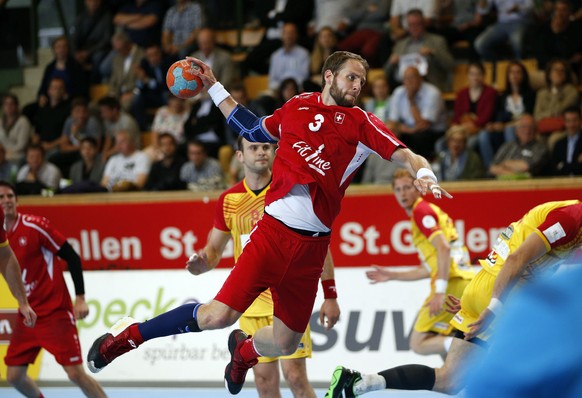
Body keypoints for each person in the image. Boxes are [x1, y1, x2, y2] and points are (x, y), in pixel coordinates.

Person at [86, 51, 447, 396]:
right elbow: (254, 128)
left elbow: (406, 154)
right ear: (329, 76)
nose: (357, 86)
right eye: (351, 77)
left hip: (312, 249)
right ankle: (128, 336)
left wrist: (426, 173)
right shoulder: (296, 106)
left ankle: (244, 353)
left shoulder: (362, 123)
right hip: (273, 234)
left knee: (286, 342)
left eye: (362, 81)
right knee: (217, 316)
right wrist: (213, 85)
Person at [326, 199, 582, 397]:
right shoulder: (570, 218)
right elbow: (516, 259)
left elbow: (526, 265)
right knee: (546, 365)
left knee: (449, 380)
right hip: (502, 293)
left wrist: (482, 300)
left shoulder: (568, 224)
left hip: (482, 286)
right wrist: (493, 306)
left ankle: (359, 383)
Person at [187, 135, 340, 397]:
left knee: (296, 379)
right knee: (265, 384)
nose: (261, 152)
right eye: (253, 147)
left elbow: (318, 247)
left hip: (288, 302)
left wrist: (330, 295)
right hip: (250, 305)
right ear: (239, 156)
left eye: (266, 147)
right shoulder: (229, 200)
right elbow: (213, 251)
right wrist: (201, 264)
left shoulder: (293, 190)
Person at [0, 182, 106, 397]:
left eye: (10, 196)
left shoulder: (34, 226)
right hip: (28, 314)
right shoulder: (2, 236)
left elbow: (72, 257)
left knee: (75, 374)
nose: (6, 200)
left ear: (17, 200)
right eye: (1, 197)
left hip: (54, 311)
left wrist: (80, 298)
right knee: (13, 376)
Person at [366, 169, 473, 359]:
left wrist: (440, 291)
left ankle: (469, 349)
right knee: (442, 337)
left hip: (451, 283)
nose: (403, 193)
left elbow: (444, 248)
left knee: (419, 343)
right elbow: (428, 268)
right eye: (398, 190)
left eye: (407, 187)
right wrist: (392, 275)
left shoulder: (421, 211)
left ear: (418, 189)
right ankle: (456, 378)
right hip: (463, 282)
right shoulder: (425, 212)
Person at [464, 265, 582, 397]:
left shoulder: (554, 297)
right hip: (500, 294)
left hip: (512, 299)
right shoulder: (556, 296)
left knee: (452, 381)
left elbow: (488, 387)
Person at [384, 8, 454, 92]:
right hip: (404, 88)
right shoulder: (400, 45)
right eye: (411, 25)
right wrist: (391, 62)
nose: (414, 28)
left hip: (429, 87)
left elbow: (450, 65)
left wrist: (433, 53)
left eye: (417, 24)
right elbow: (385, 72)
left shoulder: (437, 41)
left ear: (423, 24)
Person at [386, 65, 447, 159]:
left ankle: (422, 166)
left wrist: (411, 100)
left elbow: (423, 125)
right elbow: (393, 122)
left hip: (432, 132)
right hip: (408, 130)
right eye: (406, 79)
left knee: (419, 137)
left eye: (412, 78)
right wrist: (407, 130)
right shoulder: (398, 92)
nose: (409, 82)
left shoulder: (433, 93)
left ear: (420, 78)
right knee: (390, 134)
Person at [489, 113, 549, 179]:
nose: (527, 130)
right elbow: (492, 168)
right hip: (502, 186)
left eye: (530, 127)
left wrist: (505, 164)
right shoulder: (507, 146)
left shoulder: (541, 148)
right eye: (523, 126)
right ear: (516, 130)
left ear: (536, 130)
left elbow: (527, 167)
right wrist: (514, 175)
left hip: (528, 186)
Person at [0, 93, 33, 166]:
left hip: (17, 154)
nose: (9, 106)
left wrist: (7, 152)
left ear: (16, 106)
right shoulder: (0, 122)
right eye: (6, 104)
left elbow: (22, 145)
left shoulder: (23, 121)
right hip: (2, 154)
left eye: (11, 104)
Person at [550, 106, 582, 176]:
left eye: (575, 120)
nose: (571, 125)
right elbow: (554, 169)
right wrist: (577, 164)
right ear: (564, 122)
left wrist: (563, 166)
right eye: (568, 121)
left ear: (580, 121)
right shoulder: (559, 144)